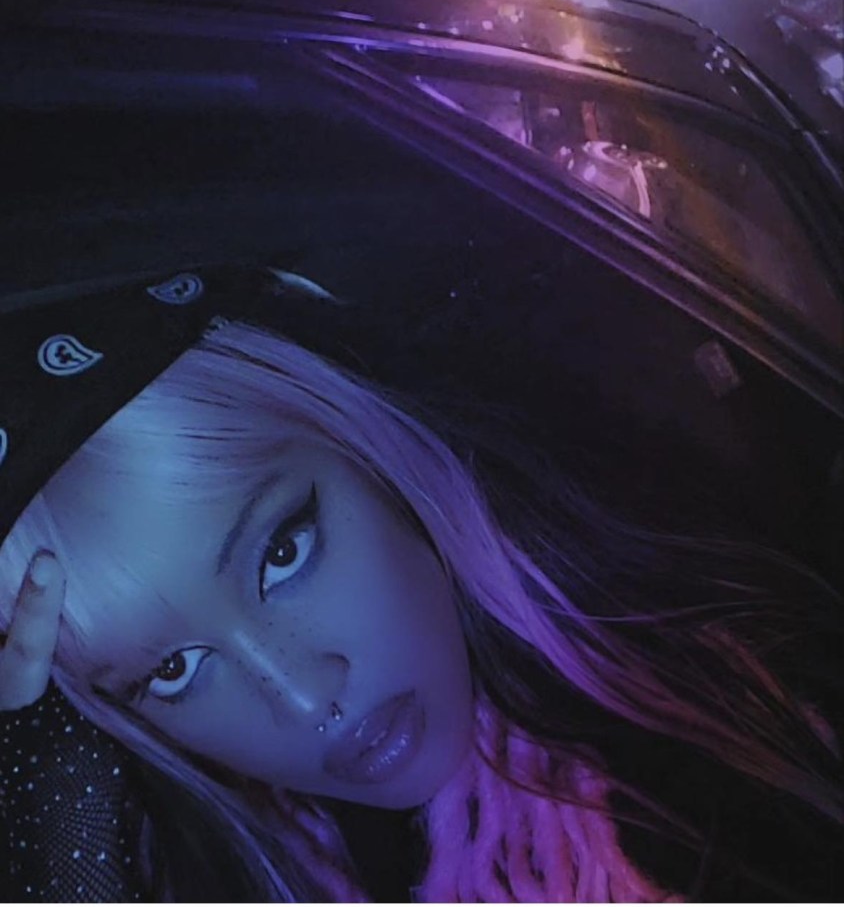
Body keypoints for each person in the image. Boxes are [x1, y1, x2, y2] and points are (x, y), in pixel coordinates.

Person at [0, 266, 842, 903]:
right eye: (172, 669)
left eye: (283, 552)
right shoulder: (223, 870)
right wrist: (54, 825)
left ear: (373, 449)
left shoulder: (739, 718)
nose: (302, 696)